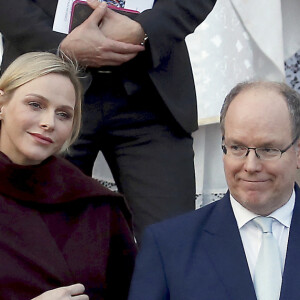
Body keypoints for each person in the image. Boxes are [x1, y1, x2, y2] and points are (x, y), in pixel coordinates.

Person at [0, 0, 216, 243]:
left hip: (151, 96)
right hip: (47, 91)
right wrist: (56, 45)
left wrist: (146, 29)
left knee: (175, 249)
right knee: (32, 245)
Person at [128, 81, 300, 300]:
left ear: (298, 152)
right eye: (237, 148)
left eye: (268, 149)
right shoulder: (169, 246)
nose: (251, 166)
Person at [0, 51, 136, 300]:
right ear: (2, 104)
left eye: (63, 114)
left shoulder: (99, 206)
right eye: (35, 105)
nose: (48, 122)